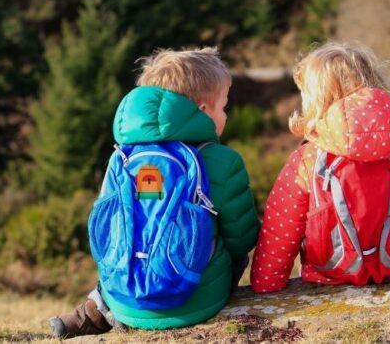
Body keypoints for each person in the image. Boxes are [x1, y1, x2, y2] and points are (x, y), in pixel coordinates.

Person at [50, 47, 259, 337]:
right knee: (233, 252)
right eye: (223, 106)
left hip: (124, 296)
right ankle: (164, 307)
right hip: (192, 301)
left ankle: (94, 311)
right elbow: (242, 237)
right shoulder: (222, 160)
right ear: (202, 110)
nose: (225, 114)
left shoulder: (120, 158)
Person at [251, 42, 390, 293]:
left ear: (315, 100)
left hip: (331, 271)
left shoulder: (309, 156)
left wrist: (266, 284)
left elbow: (281, 227)